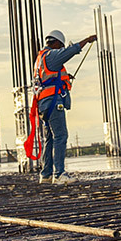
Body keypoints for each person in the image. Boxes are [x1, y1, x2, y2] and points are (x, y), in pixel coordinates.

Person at [34, 29, 97, 185]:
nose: (60, 49)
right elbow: (70, 51)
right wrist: (87, 39)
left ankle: (46, 174)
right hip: (53, 102)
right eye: (60, 46)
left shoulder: (40, 58)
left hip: (44, 104)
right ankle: (60, 174)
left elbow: (47, 78)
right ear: (56, 43)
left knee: (50, 138)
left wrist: (65, 78)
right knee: (60, 136)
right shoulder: (52, 55)